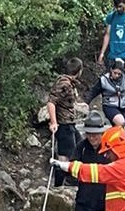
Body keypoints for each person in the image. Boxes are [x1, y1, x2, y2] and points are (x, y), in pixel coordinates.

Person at [46, 57, 83, 188]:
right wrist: (53, 122)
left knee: (79, 147)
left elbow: (65, 102)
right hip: (63, 124)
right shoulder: (64, 83)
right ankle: (59, 185)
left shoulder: (69, 83)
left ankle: (72, 180)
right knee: (64, 157)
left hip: (70, 123)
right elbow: (51, 102)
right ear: (79, 71)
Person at [87, 57, 125, 137]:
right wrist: (86, 102)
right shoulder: (103, 80)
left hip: (124, 106)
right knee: (120, 122)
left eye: (119, 74)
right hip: (110, 106)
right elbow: (93, 92)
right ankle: (110, 137)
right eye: (115, 73)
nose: (117, 75)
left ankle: (114, 140)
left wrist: (124, 64)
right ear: (111, 70)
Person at [98, 0, 125, 68]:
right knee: (111, 73)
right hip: (113, 54)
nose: (118, 9)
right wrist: (102, 53)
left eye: (120, 6)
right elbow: (107, 34)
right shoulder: (111, 17)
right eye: (116, 7)